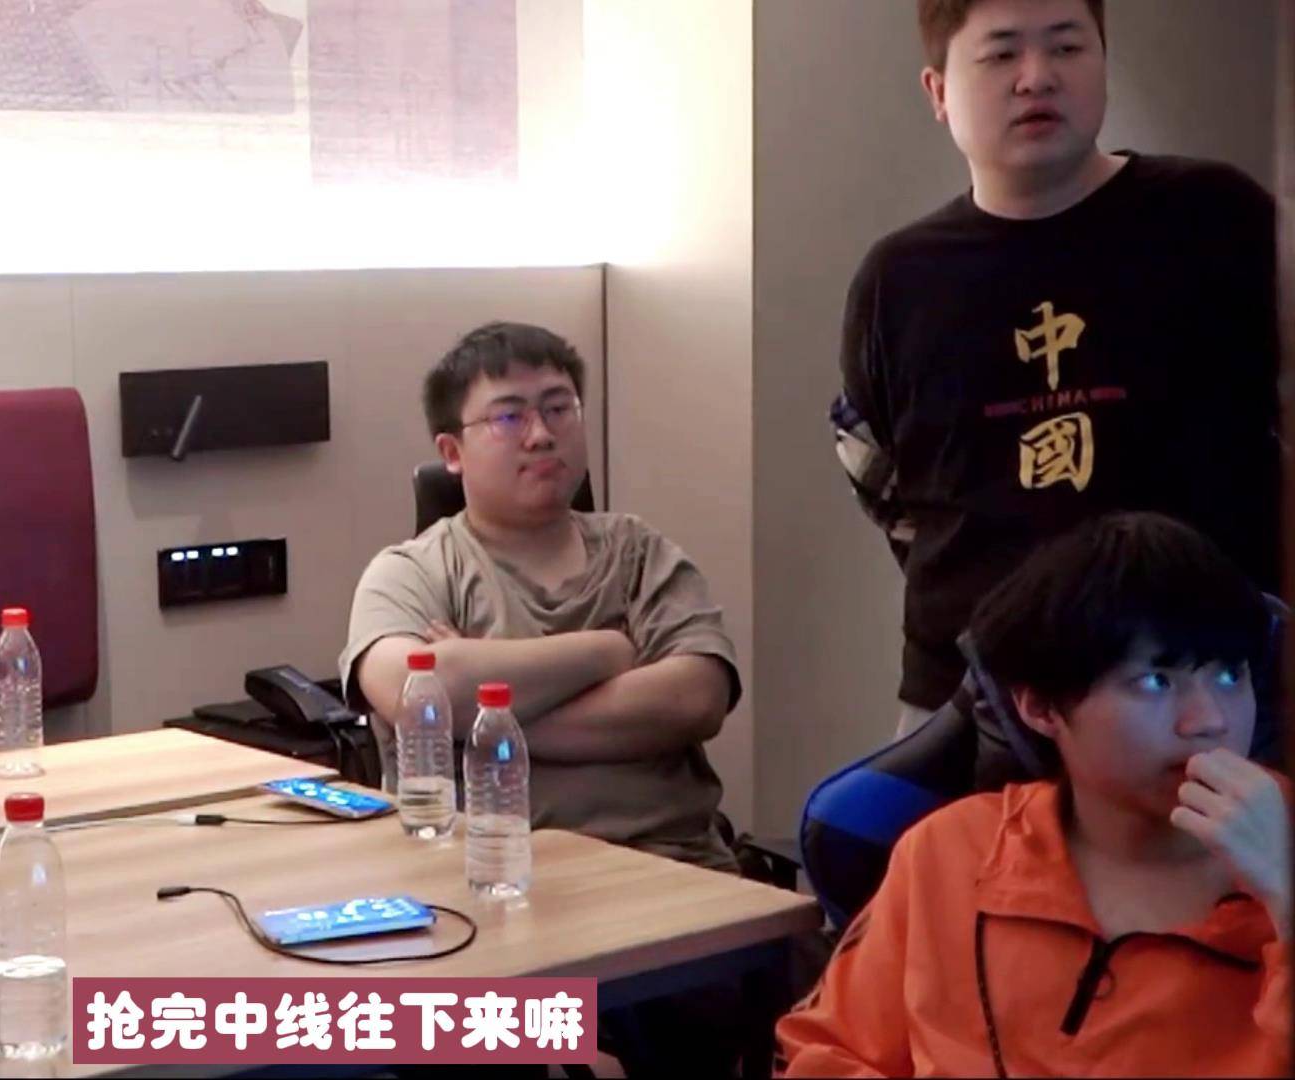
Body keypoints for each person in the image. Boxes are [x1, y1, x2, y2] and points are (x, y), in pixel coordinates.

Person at [831, 0, 1281, 735]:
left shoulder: (1218, 218)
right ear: (938, 91)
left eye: (1067, 47)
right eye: (1002, 53)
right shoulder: (898, 279)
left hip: (1208, 690)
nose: (1037, 77)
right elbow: (878, 475)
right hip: (971, 702)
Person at [777, 513, 1290, 1077]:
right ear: (1041, 707)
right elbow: (827, 1054)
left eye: (1230, 676)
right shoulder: (951, 853)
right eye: (1156, 682)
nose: (1209, 720)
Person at [340, 321, 741, 870]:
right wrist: (607, 650)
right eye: (509, 417)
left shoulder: (639, 553)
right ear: (452, 451)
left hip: (675, 862)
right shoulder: (410, 572)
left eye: (558, 408)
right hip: (488, 874)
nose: (541, 435)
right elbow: (416, 695)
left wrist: (481, 718)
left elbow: (695, 700)